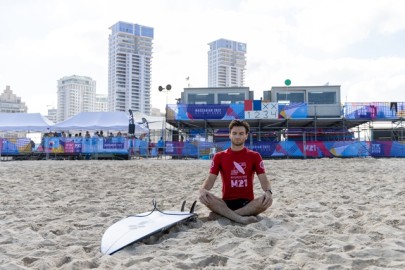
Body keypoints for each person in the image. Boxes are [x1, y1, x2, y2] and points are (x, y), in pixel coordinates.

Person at [199, 119, 273, 224]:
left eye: (241, 133)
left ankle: (226, 215)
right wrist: (202, 190)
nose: (237, 136)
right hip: (225, 203)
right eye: (234, 133)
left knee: (266, 200)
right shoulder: (219, 156)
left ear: (246, 135)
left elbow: (263, 179)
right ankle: (240, 218)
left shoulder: (254, 156)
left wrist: (268, 192)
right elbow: (210, 180)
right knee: (205, 196)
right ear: (229, 135)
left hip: (248, 204)